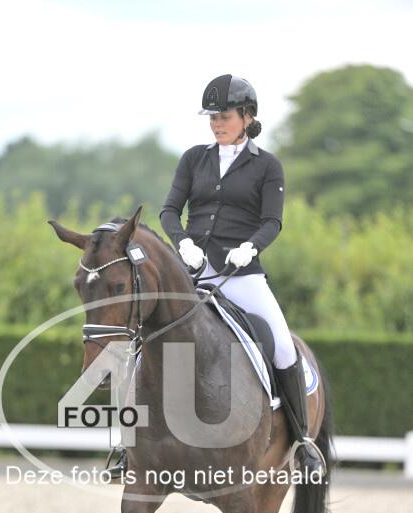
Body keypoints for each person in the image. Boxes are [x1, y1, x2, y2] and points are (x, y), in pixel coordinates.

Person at [106, 74, 325, 479]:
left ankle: (303, 442)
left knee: (282, 347)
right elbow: (170, 210)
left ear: (247, 117)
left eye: (224, 116)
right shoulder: (194, 159)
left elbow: (272, 221)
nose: (217, 124)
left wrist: (250, 248)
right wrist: (183, 243)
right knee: (141, 343)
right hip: (191, 273)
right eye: (212, 117)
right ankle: (126, 445)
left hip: (242, 274)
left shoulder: (267, 166)